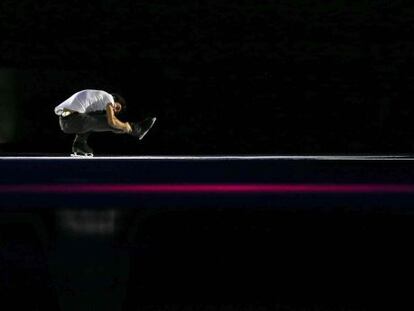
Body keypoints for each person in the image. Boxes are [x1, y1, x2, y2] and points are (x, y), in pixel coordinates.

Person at [54, 89, 156, 156]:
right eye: (117, 107)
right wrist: (125, 126)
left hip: (64, 122)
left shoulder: (96, 99)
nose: (115, 110)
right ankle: (137, 129)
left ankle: (79, 145)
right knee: (108, 120)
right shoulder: (109, 98)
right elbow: (112, 122)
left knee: (93, 119)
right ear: (115, 100)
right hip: (74, 120)